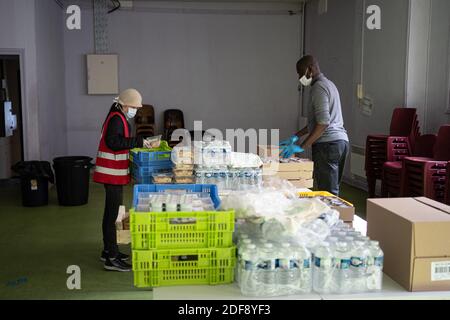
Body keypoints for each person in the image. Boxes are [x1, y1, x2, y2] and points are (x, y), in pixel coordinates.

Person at [93, 88, 154, 272]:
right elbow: (114, 142)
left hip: (113, 173)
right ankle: (111, 258)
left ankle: (109, 250)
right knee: (113, 216)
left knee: (111, 213)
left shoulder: (117, 115)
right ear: (125, 105)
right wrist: (139, 141)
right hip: (111, 173)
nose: (135, 110)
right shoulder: (117, 119)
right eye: (134, 107)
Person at [280, 55, 349, 196]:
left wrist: (301, 146)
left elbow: (323, 123)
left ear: (310, 69)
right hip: (341, 142)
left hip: (327, 146)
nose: (300, 77)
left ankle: (331, 217)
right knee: (332, 190)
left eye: (300, 73)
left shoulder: (318, 88)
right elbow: (317, 122)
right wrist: (296, 136)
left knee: (327, 193)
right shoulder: (330, 85)